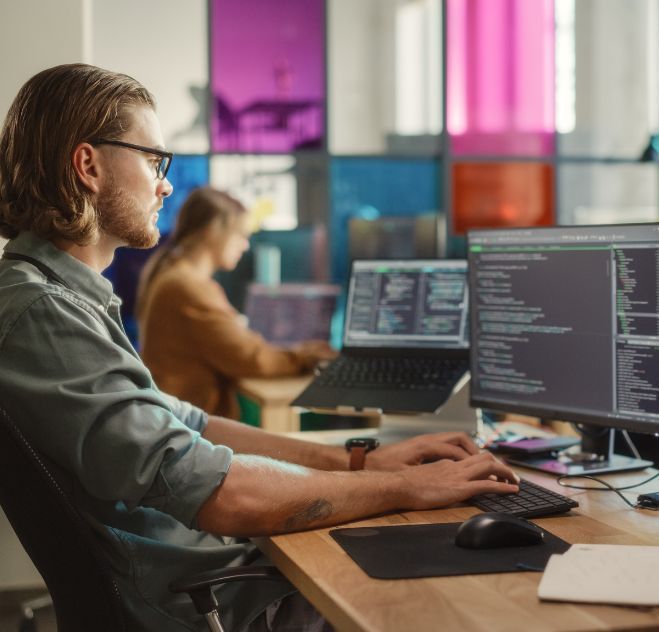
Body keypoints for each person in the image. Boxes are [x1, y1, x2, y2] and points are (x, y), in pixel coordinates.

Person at [0, 64, 519, 632]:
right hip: (212, 605)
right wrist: (408, 486)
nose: (166, 184)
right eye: (154, 160)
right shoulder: (40, 312)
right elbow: (219, 493)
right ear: (88, 165)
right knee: (465, 603)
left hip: (219, 575)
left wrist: (362, 460)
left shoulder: (64, 299)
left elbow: (192, 422)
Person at [135, 186, 335, 419]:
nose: (245, 245)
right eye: (240, 235)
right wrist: (305, 356)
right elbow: (251, 359)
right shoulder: (188, 286)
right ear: (212, 231)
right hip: (192, 427)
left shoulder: (170, 271)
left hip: (177, 417)